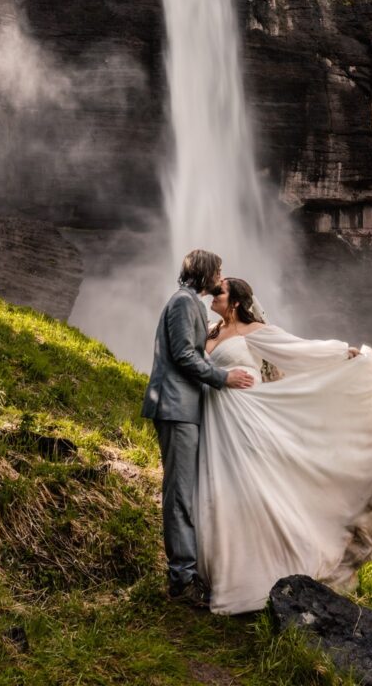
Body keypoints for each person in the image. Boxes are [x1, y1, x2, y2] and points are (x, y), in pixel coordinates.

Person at [196, 276, 372, 615]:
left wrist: (340, 353)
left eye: (219, 291)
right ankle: (217, 571)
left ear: (236, 301)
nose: (212, 295)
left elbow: (296, 349)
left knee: (252, 489)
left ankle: (265, 568)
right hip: (214, 416)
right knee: (218, 489)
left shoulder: (251, 329)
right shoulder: (212, 331)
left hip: (244, 415)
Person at [141, 251, 254, 607]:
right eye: (217, 270)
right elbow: (184, 356)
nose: (221, 277)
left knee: (185, 492)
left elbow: (192, 351)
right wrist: (224, 377)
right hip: (175, 408)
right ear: (204, 273)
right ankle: (182, 579)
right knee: (179, 494)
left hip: (184, 409)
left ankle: (187, 572)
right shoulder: (182, 303)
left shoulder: (190, 305)